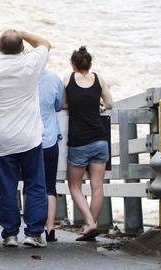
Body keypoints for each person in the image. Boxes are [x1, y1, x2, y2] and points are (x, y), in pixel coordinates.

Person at [0, 29, 51, 248]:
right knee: (35, 186)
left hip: (4, 139)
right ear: (22, 48)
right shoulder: (31, 63)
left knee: (6, 188)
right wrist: (22, 32)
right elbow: (44, 42)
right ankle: (33, 233)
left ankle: (10, 234)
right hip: (30, 137)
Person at [64, 46, 113, 241]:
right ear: (89, 64)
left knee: (74, 186)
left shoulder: (68, 79)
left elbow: (63, 104)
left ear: (73, 64)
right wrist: (100, 106)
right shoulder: (98, 78)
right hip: (100, 140)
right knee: (97, 187)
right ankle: (90, 227)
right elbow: (110, 103)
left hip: (79, 143)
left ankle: (90, 224)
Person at [38, 69, 64, 242]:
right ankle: (50, 230)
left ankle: (33, 229)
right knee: (50, 186)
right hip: (49, 139)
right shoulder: (55, 78)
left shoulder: (24, 76)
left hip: (28, 139)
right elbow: (58, 105)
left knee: (30, 185)